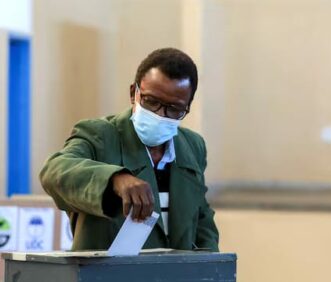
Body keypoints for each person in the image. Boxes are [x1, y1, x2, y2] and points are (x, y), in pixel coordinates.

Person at [40, 47, 219, 251]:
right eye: (151, 102)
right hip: (108, 277)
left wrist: (211, 268)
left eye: (174, 109)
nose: (160, 115)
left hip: (175, 277)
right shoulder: (100, 136)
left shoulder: (192, 146)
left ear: (187, 106)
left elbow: (202, 218)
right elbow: (53, 171)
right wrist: (114, 179)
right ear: (134, 93)